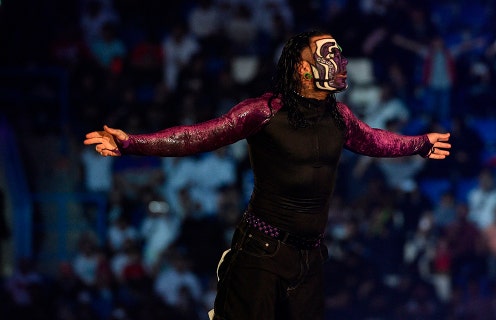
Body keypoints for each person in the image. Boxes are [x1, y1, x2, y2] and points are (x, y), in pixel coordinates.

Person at [84, 30, 451, 320]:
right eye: (327, 54)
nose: (339, 61)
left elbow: (375, 141)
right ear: (302, 69)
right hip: (262, 250)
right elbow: (199, 136)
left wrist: (419, 143)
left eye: (339, 53)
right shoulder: (264, 111)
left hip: (309, 256)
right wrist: (132, 143)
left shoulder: (340, 117)